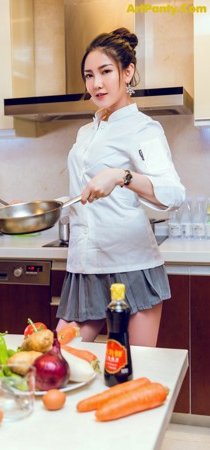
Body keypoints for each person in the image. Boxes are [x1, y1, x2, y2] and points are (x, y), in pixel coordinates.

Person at [56, 28, 185, 345]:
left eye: (105, 71)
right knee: (59, 357)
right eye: (89, 75)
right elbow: (90, 194)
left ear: (127, 72)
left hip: (131, 264)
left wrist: (122, 176)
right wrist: (56, 206)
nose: (96, 83)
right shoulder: (87, 132)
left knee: (137, 375)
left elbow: (173, 193)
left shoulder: (143, 129)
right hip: (85, 265)